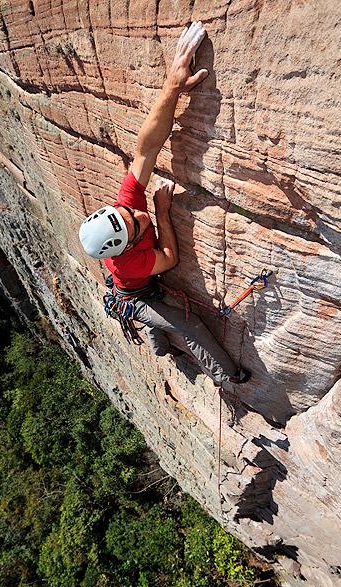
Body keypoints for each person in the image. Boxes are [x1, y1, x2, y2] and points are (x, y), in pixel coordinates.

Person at [79, 21, 250, 387]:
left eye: (129, 212)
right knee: (186, 325)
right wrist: (159, 212)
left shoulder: (124, 212)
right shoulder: (131, 257)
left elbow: (146, 148)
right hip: (136, 293)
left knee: (156, 328)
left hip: (128, 286)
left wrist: (172, 87)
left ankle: (159, 348)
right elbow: (169, 259)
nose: (136, 213)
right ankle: (229, 376)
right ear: (124, 245)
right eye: (135, 224)